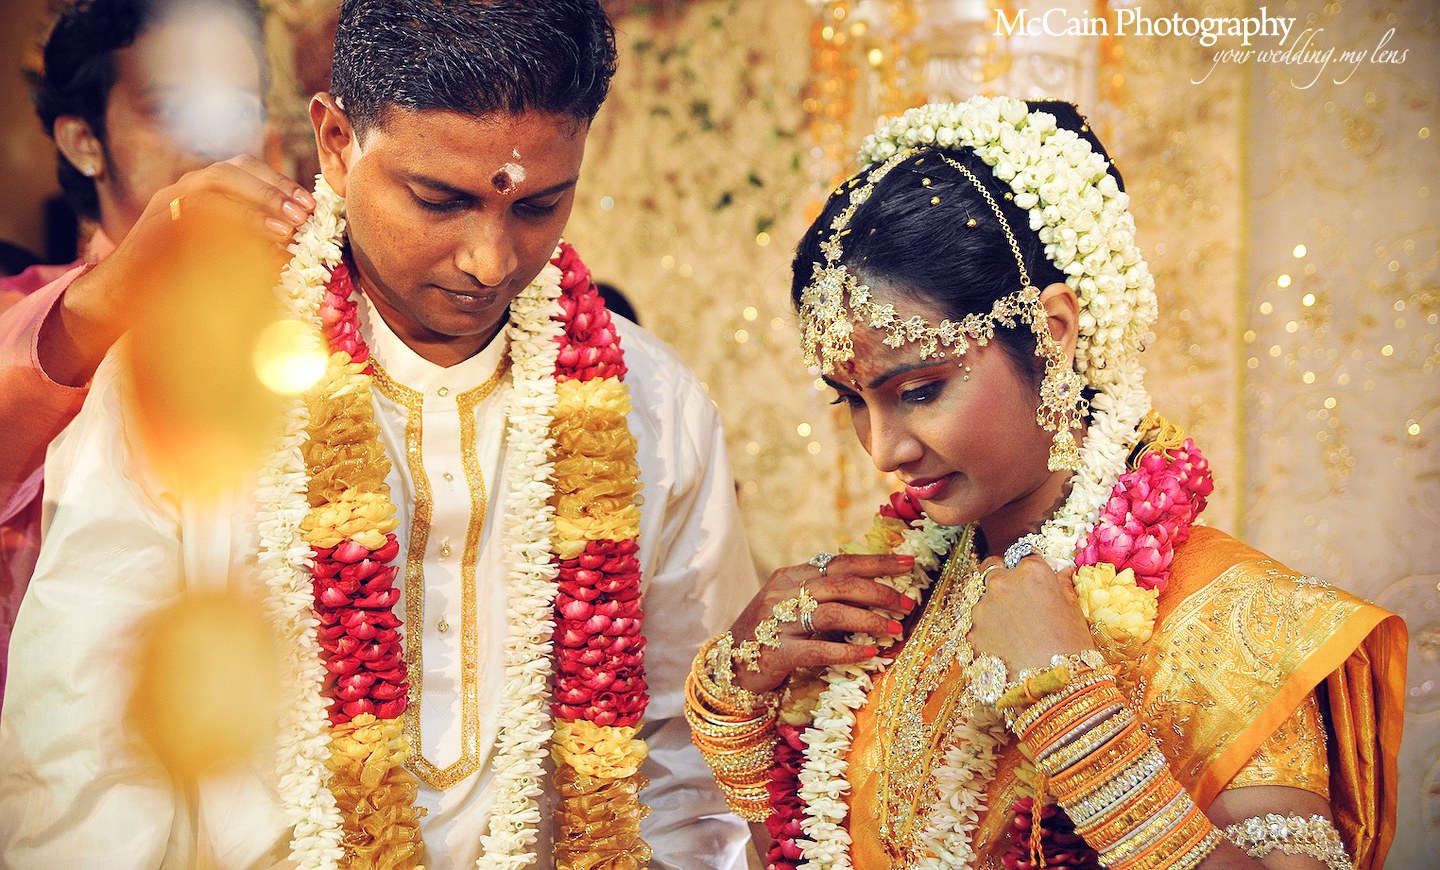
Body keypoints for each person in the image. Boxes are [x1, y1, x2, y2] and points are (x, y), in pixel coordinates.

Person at [0, 1, 756, 867]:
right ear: (335, 142)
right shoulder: (192, 378)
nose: (490, 260)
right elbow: (88, 739)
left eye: (540, 205)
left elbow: (682, 752)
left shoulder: (655, 405)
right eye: (439, 200)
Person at [687, 96, 1405, 870]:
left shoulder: (1230, 621)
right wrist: (739, 696)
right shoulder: (892, 608)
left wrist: (1073, 712)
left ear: (1050, 330)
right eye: (851, 401)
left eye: (919, 390)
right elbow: (799, 850)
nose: (883, 450)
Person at [0, 0, 276, 703]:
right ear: (83, 141)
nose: (211, 139)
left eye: (237, 109)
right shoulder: (19, 307)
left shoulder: (305, 320)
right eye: (172, 108)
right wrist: (137, 273)